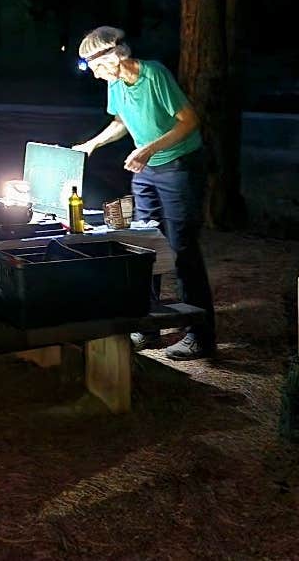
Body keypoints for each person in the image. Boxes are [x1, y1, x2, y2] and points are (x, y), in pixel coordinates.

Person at [71, 26, 217, 360]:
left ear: (112, 57)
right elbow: (121, 122)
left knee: (182, 250)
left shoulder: (154, 75)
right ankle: (147, 325)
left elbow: (189, 121)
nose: (92, 73)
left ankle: (200, 336)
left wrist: (148, 149)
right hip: (146, 169)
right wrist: (91, 144)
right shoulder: (115, 83)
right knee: (142, 246)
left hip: (178, 165)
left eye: (92, 65)